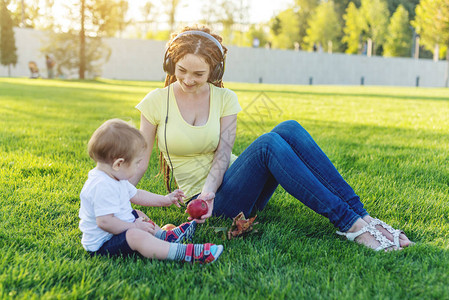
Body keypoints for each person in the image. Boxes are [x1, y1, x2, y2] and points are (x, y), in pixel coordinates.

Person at [133, 25, 413, 252]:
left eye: (199, 74)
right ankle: (350, 224)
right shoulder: (156, 102)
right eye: (181, 70)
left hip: (225, 189)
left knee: (288, 128)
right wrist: (118, 202)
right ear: (170, 63)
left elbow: (223, 153)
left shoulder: (225, 98)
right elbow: (140, 162)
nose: (188, 79)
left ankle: (362, 217)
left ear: (215, 72)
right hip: (211, 205)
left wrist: (209, 190)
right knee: (268, 144)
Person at [79, 119, 223, 263]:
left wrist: (165, 199)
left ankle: (165, 236)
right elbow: (105, 222)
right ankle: (184, 253)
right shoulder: (101, 186)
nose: (138, 167)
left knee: (137, 214)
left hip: (118, 229)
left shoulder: (115, 177)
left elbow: (137, 194)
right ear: (118, 164)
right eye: (136, 163)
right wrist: (134, 226)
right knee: (136, 235)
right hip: (103, 244)